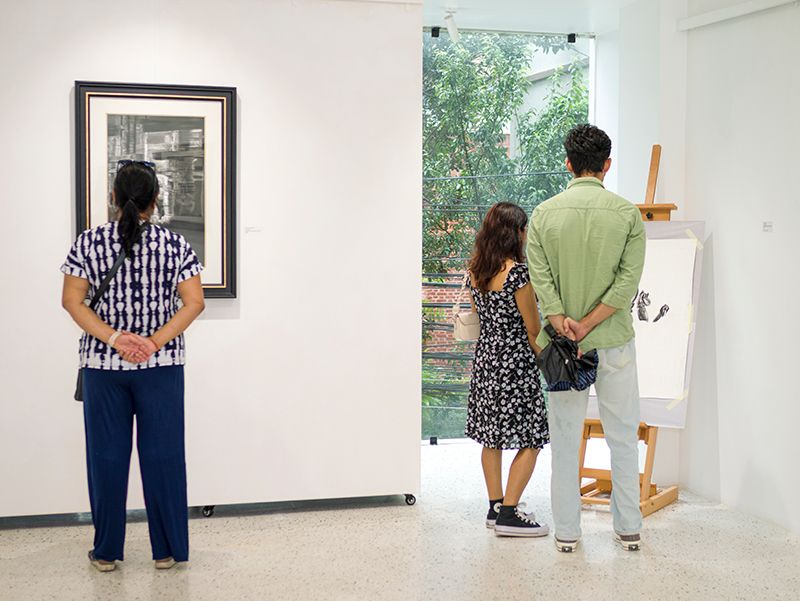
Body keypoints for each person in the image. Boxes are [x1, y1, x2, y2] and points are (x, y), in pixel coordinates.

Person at [61, 160, 205, 571]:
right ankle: (168, 551)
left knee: (106, 457)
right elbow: (194, 302)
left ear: (113, 197)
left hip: (103, 366)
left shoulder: (89, 242)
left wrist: (114, 339)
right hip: (162, 365)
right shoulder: (175, 244)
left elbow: (72, 301)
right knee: (164, 456)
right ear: (155, 199)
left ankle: (106, 552)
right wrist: (153, 342)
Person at [526, 124, 646, 553]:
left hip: (563, 347)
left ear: (568, 164)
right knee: (622, 436)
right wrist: (591, 323)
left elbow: (540, 279)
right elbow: (626, 283)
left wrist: (562, 320)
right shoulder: (627, 215)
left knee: (564, 439)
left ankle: (566, 533)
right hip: (612, 340)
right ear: (606, 165)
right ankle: (628, 528)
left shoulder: (543, 215)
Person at [464, 202, 550, 538]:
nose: (526, 235)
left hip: (486, 363)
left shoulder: (475, 272)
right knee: (532, 437)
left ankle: (495, 506)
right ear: (514, 233)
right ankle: (510, 514)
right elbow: (533, 329)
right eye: (524, 229)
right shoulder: (517, 275)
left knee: (492, 437)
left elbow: (480, 316)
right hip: (515, 366)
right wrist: (550, 364)